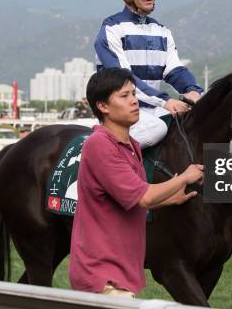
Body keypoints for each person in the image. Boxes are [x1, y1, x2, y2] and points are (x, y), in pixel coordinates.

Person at [69, 68, 204, 298]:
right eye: (124, 96)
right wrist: (184, 177)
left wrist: (170, 199)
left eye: (134, 94)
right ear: (102, 106)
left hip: (122, 274)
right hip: (103, 277)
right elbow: (143, 196)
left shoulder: (131, 145)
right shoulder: (100, 144)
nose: (134, 101)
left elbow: (128, 200)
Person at [94, 0, 203, 147]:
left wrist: (192, 90)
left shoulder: (162, 31)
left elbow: (175, 70)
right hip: (120, 113)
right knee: (157, 129)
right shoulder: (112, 29)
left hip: (154, 110)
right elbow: (124, 79)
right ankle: (99, 152)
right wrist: (166, 101)